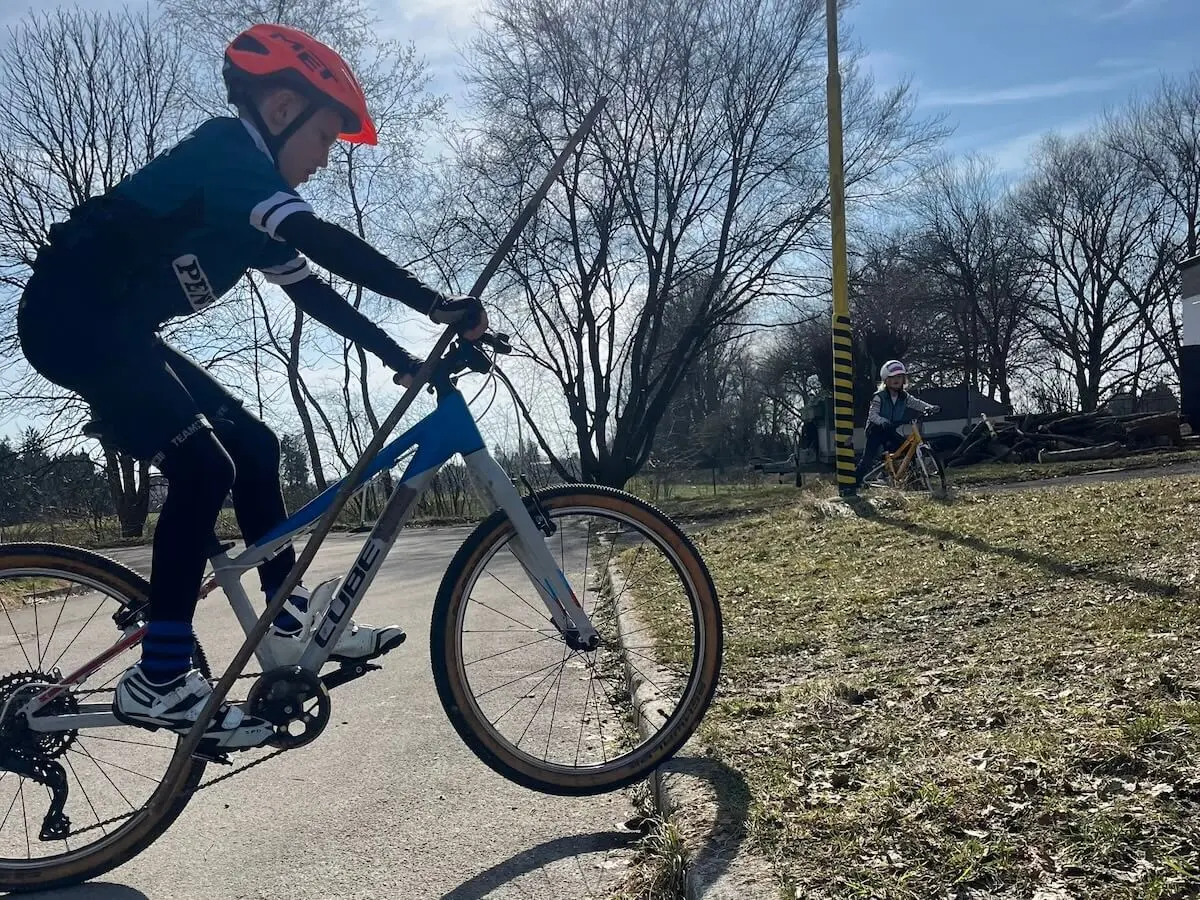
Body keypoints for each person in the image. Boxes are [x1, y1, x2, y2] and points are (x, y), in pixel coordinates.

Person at [17, 24, 487, 750]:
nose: (326, 160)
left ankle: (284, 613)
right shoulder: (229, 155)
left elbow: (316, 294)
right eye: (327, 138)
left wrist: (400, 355)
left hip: (114, 330)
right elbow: (325, 241)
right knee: (206, 468)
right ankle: (161, 678)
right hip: (71, 323)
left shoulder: (247, 206)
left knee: (257, 446)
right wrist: (434, 301)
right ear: (278, 111)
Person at [855, 360, 939, 486]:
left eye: (899, 377)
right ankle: (854, 483)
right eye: (892, 377)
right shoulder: (879, 397)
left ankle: (911, 480)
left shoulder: (904, 396)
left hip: (890, 429)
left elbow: (917, 403)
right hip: (876, 429)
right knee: (868, 458)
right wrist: (882, 421)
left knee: (906, 451)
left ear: (904, 380)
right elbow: (872, 415)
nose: (896, 380)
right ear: (885, 380)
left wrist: (930, 407)